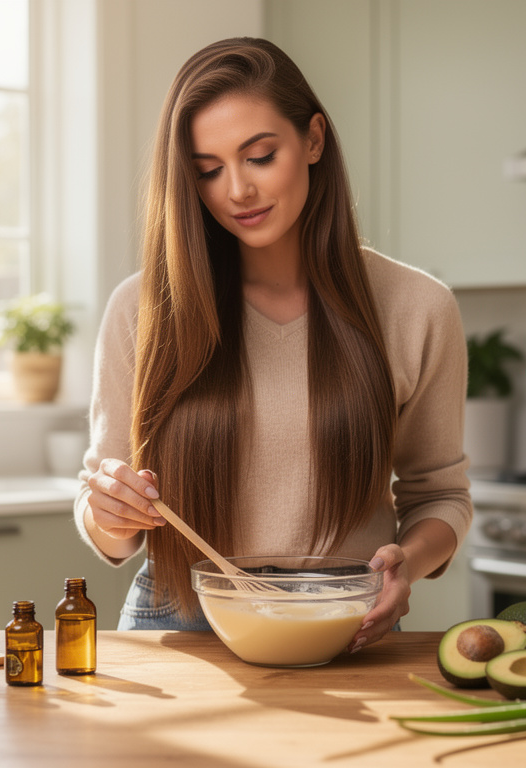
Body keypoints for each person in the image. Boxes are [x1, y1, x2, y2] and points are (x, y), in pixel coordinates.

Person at [73, 37, 472, 653]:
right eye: (207, 170)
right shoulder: (144, 308)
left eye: (259, 156)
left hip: (341, 621)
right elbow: (109, 526)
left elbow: (439, 496)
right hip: (176, 619)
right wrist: (109, 510)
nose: (236, 190)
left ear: (313, 140)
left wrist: (406, 564)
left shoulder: (417, 308)